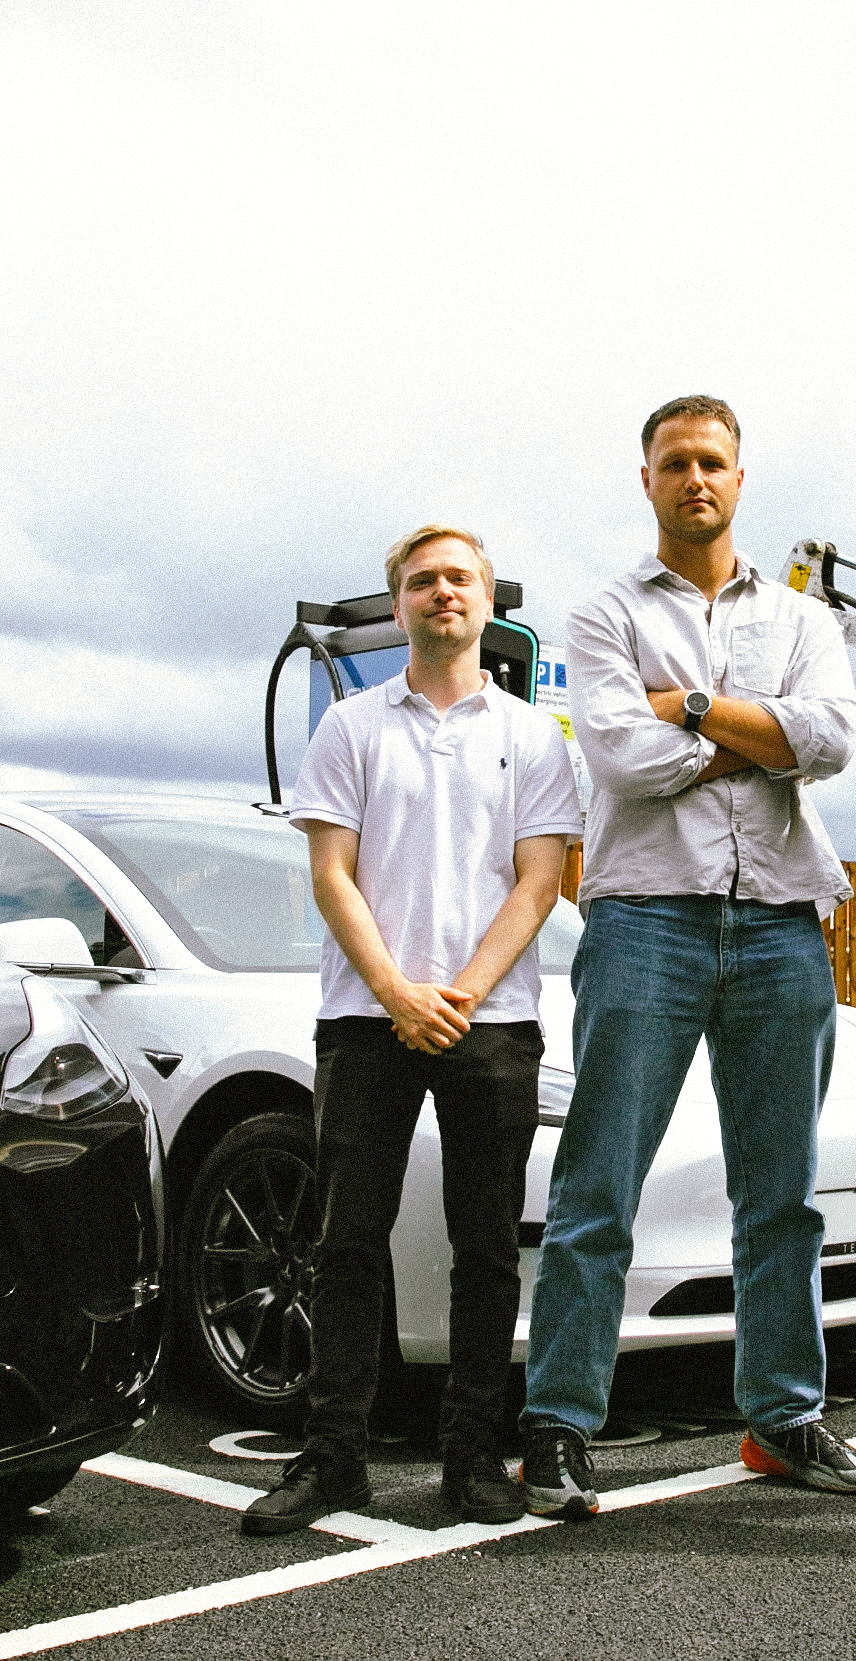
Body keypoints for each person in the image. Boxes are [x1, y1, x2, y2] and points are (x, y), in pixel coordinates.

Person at [515, 395, 856, 1521]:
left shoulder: (804, 619)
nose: (695, 480)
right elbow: (621, 757)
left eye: (712, 461)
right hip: (646, 921)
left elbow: (832, 742)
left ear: (739, 475)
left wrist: (699, 709)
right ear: (647, 480)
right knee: (598, 1187)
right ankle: (562, 1430)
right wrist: (754, 737)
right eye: (675, 463)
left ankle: (783, 1420)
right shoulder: (604, 615)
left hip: (777, 920)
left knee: (783, 1198)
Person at [242, 524, 580, 1535]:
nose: (443, 593)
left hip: (492, 1024)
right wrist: (395, 991)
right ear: (399, 606)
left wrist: (460, 994)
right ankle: (331, 1458)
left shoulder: (529, 736)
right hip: (362, 1017)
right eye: (424, 581)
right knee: (344, 1244)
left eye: (460, 579)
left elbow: (540, 879)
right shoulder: (350, 727)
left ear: (488, 604)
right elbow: (331, 873)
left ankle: (472, 1459)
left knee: (486, 1250)